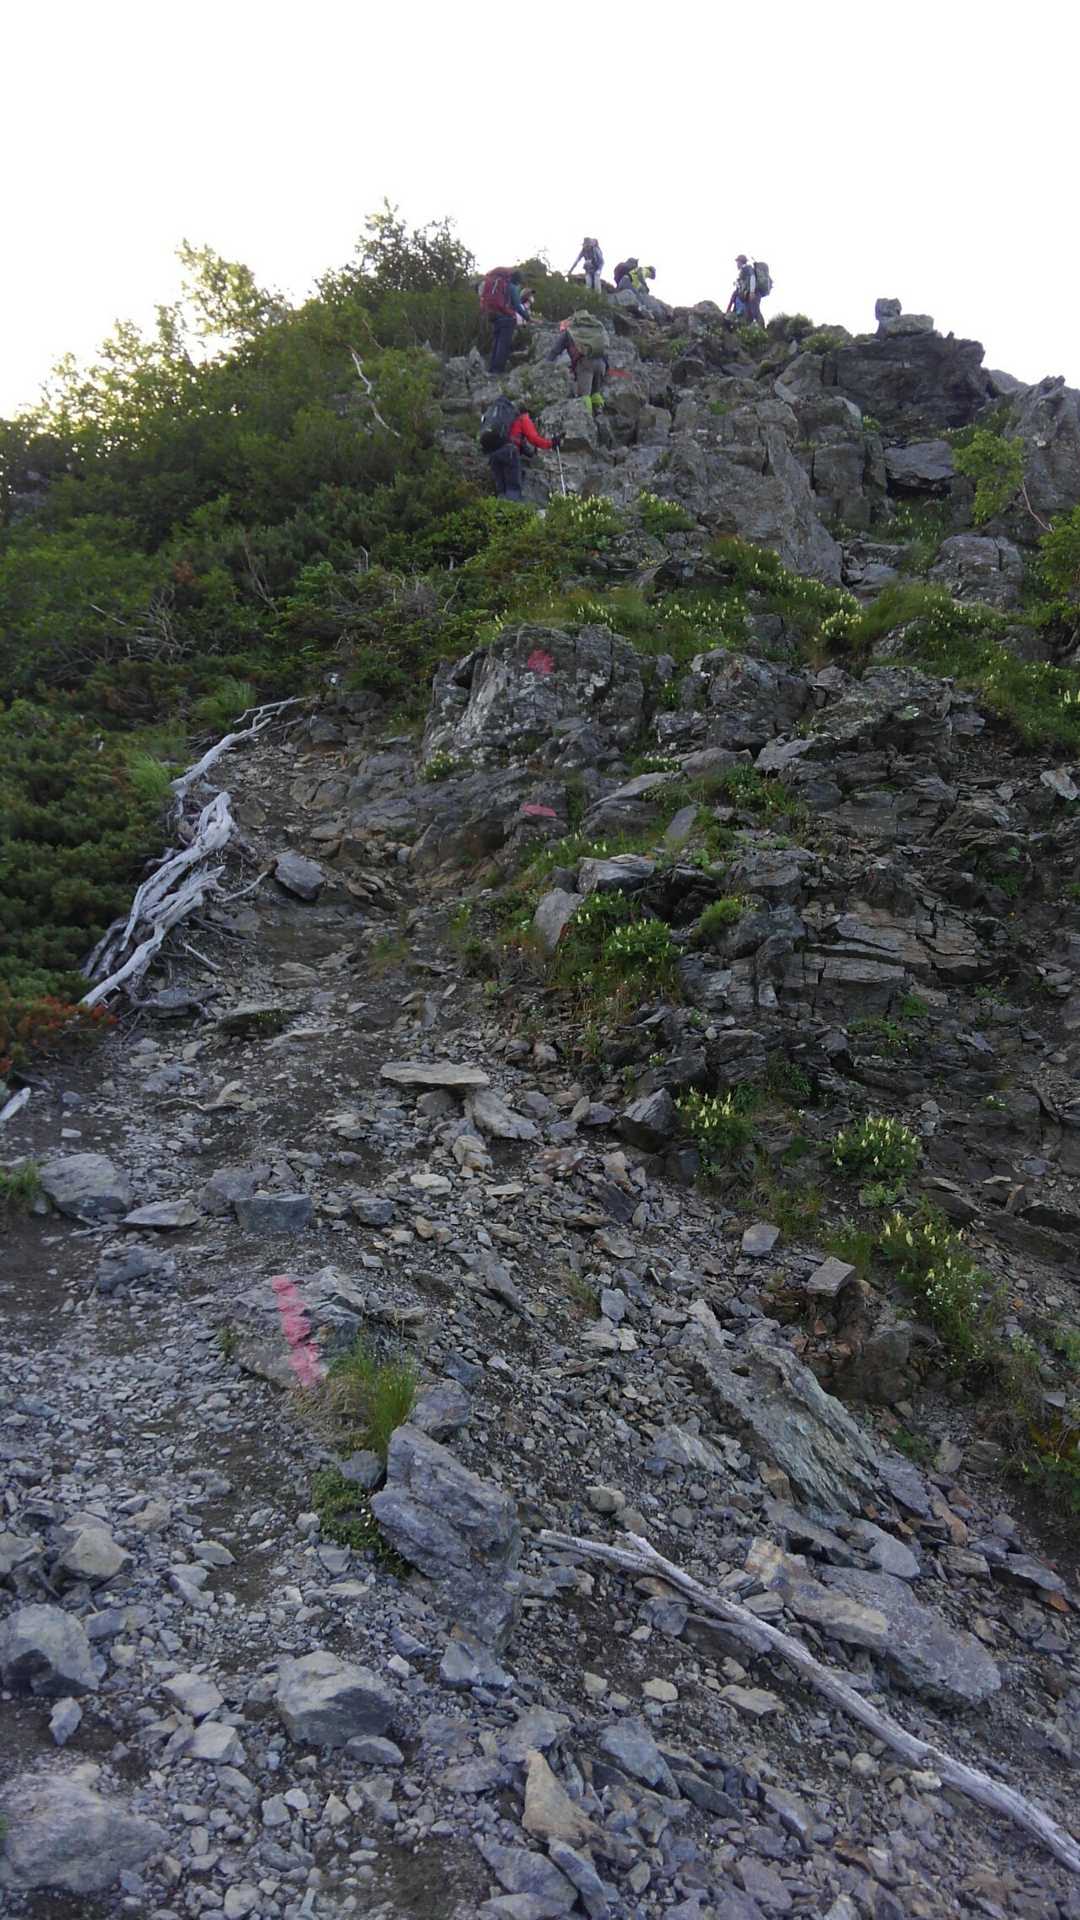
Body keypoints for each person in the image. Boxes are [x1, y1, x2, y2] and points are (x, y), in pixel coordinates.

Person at [485, 405, 561, 503]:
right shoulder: (524, 418)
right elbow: (534, 439)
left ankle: (501, 510)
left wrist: (530, 454)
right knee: (513, 489)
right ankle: (514, 510)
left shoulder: (507, 422)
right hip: (510, 453)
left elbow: (518, 442)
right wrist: (551, 443)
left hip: (493, 454)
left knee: (502, 491)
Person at [547, 309, 610, 410]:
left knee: (584, 395)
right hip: (601, 362)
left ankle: (586, 417)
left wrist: (547, 364)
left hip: (585, 364)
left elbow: (555, 350)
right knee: (595, 392)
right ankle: (599, 411)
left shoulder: (570, 331)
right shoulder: (595, 328)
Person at [480, 267, 532, 374]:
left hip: (495, 316)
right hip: (507, 318)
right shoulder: (512, 287)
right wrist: (528, 318)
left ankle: (492, 369)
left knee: (496, 343)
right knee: (503, 345)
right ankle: (498, 371)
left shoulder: (500, 284)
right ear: (518, 280)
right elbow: (517, 306)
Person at [728, 256, 761, 326]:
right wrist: (737, 283)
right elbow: (743, 283)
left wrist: (752, 291)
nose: (737, 264)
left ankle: (760, 327)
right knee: (749, 313)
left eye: (737, 262)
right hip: (746, 294)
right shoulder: (743, 271)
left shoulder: (747, 268)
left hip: (751, 294)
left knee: (754, 312)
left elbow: (752, 277)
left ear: (740, 262)